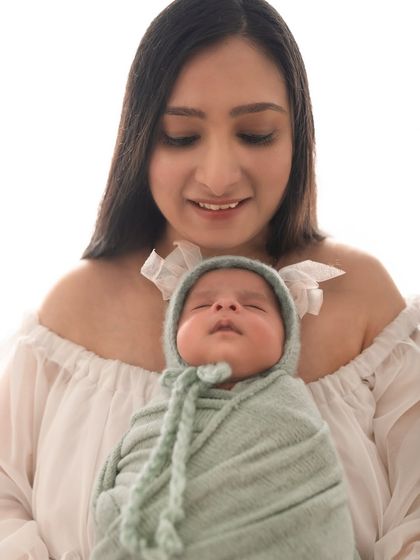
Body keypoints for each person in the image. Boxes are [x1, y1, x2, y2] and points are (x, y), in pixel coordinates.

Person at [0, 0, 418, 559]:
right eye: (180, 136)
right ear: (140, 139)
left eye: (256, 133)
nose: (219, 175)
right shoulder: (73, 315)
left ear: (297, 135)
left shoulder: (360, 299)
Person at [91, 255, 358, 560]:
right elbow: (125, 483)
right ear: (173, 334)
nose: (226, 305)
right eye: (202, 305)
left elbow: (318, 506)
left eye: (255, 306)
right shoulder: (161, 409)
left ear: (286, 342)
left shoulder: (293, 412)